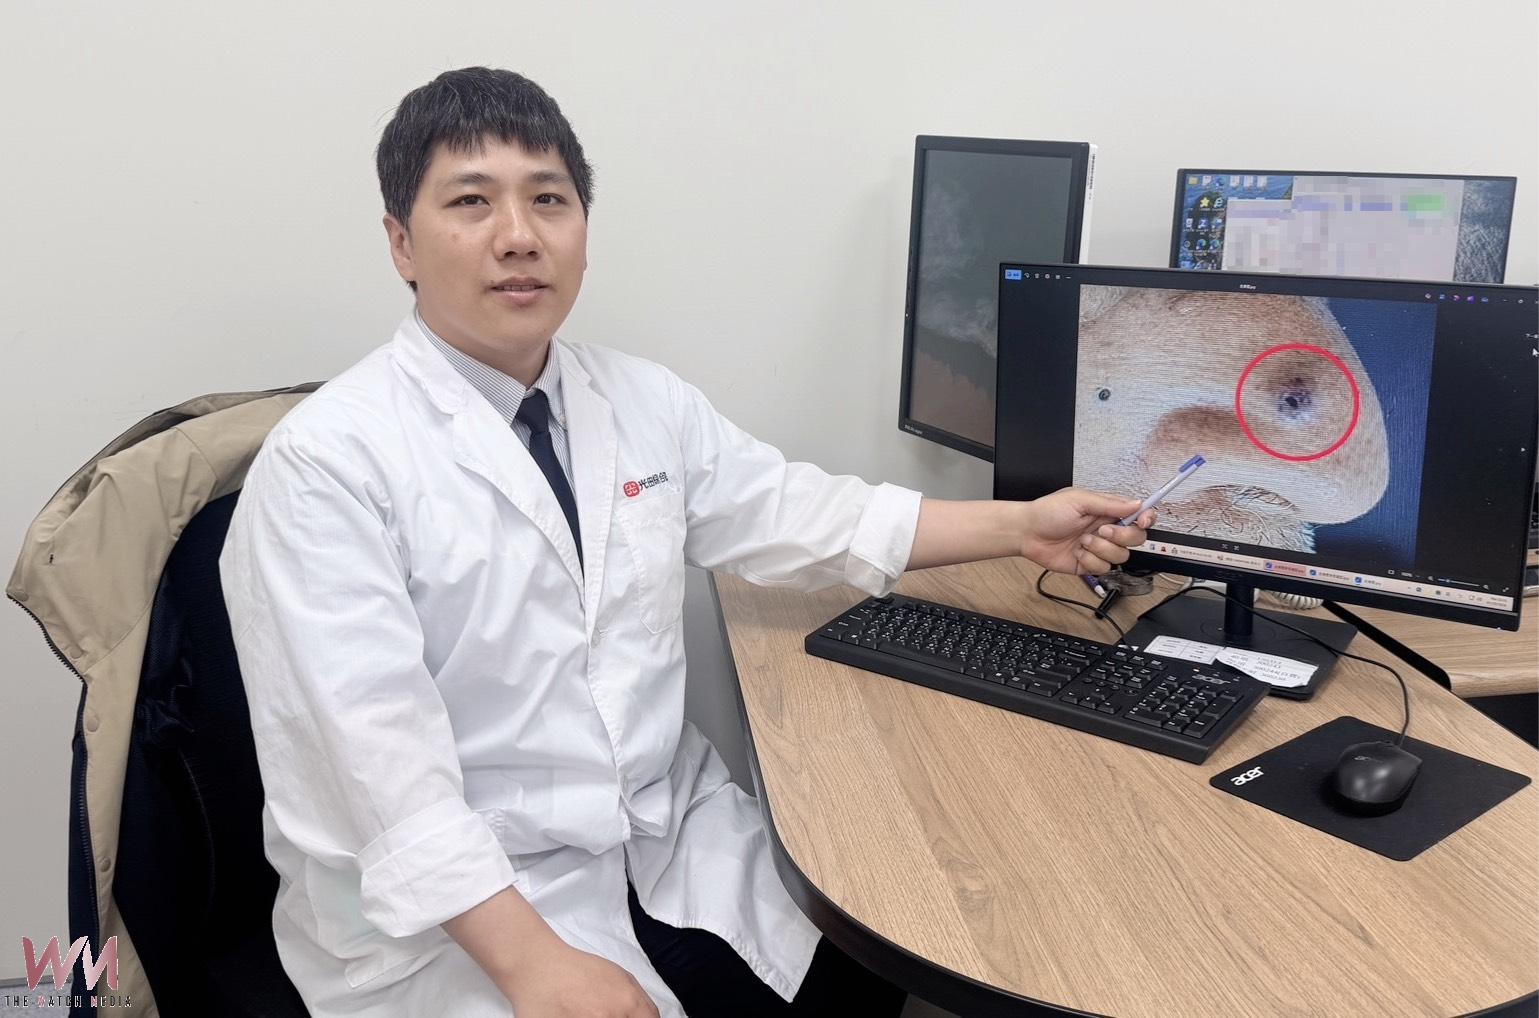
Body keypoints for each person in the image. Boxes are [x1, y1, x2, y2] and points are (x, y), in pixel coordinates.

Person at [220, 67, 1154, 1018]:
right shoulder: (325, 466)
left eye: (549, 199)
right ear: (400, 243)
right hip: (466, 912)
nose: (519, 236)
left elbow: (796, 512)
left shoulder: (638, 400)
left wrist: (1020, 527)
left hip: (659, 837)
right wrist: (533, 966)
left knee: (868, 965)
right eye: (471, 202)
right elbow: (376, 772)